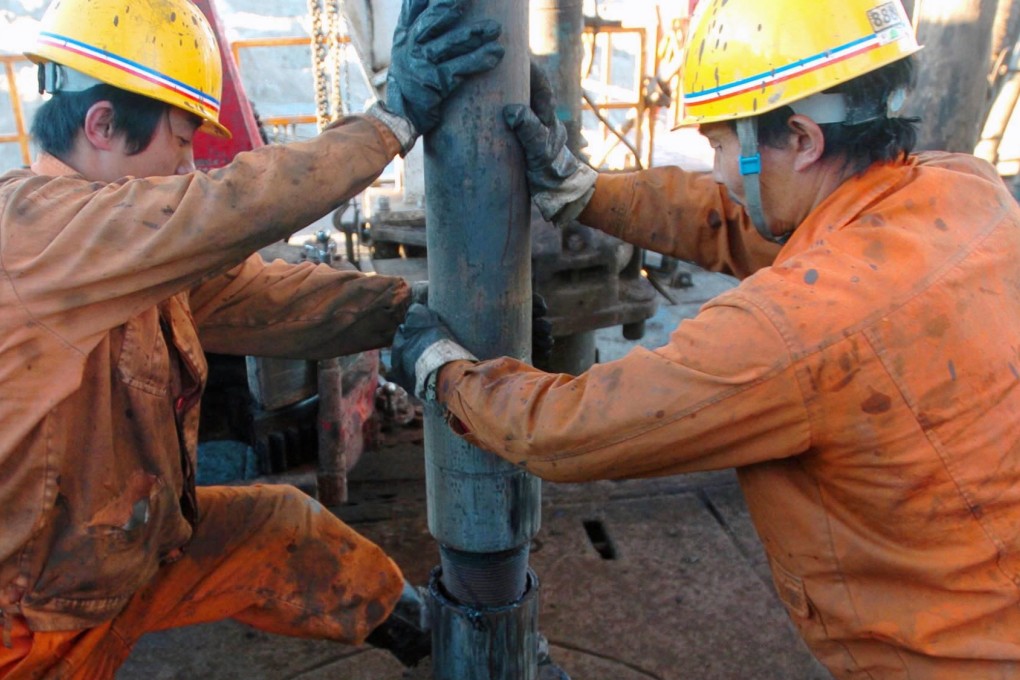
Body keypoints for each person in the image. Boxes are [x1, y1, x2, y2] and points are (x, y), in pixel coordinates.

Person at [390, 0, 1020, 677]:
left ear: (804, 140)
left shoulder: (792, 330)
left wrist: (443, 370)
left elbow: (571, 429)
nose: (718, 171)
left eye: (722, 145)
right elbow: (749, 225)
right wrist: (585, 191)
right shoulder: (964, 189)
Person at [0, 0, 505, 675]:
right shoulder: (30, 233)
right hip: (27, 622)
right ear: (102, 125)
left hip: (112, 560)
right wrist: (389, 123)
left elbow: (257, 297)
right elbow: (224, 207)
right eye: (181, 143)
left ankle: (450, 643)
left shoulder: (123, 258)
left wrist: (403, 313)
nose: (188, 170)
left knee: (276, 530)